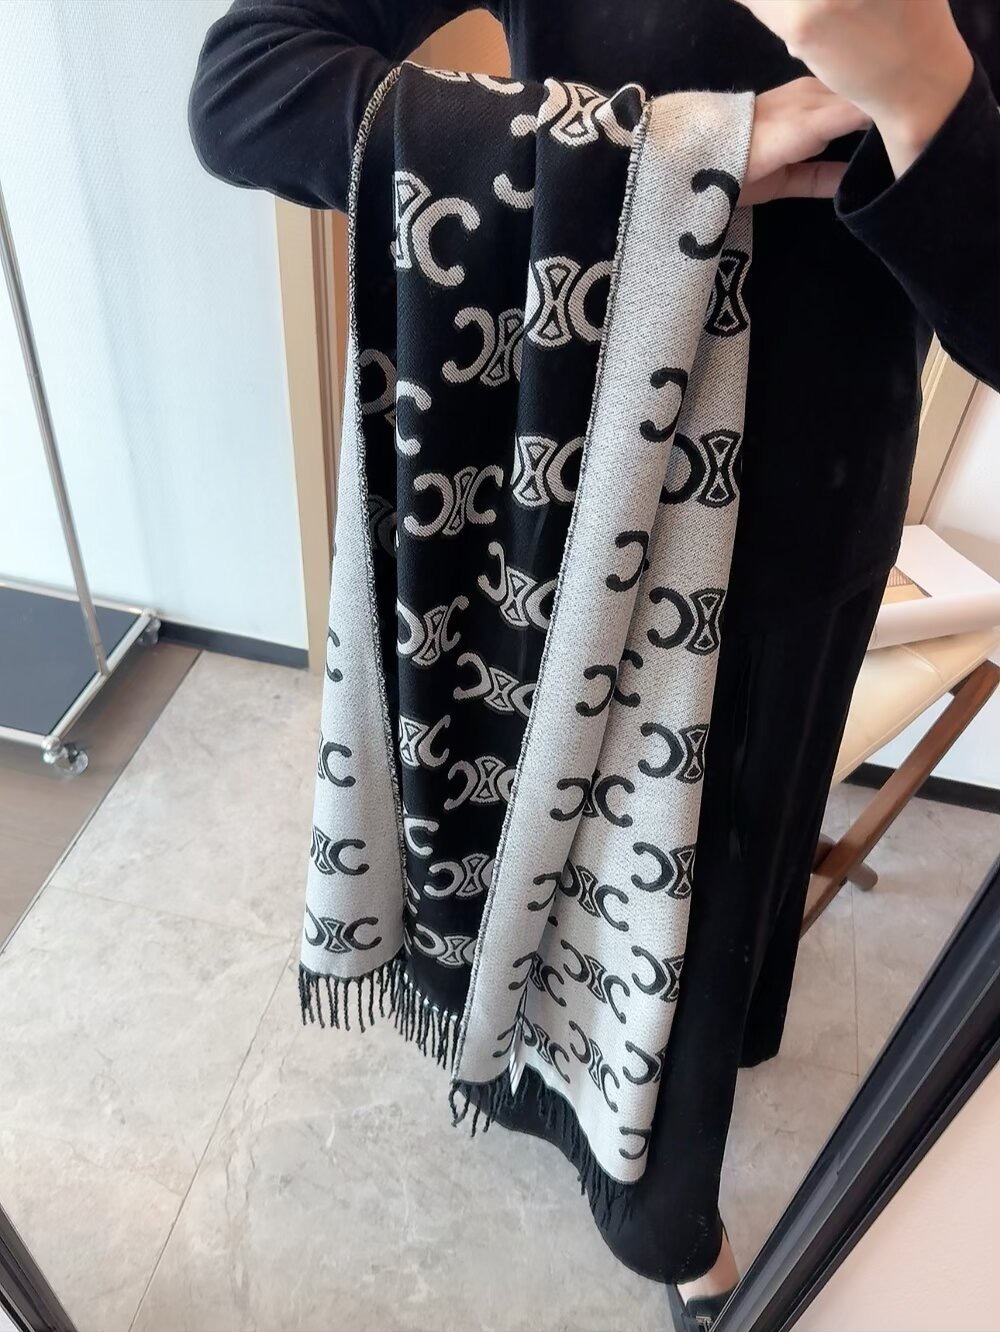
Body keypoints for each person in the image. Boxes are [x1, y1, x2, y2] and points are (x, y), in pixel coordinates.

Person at [188, 2, 1000, 1326]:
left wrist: (924, 93)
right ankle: (537, 1078)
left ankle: (664, 1213)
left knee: (710, 920)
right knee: (526, 838)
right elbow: (244, 92)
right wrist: (678, 150)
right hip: (554, 497)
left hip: (801, 535)